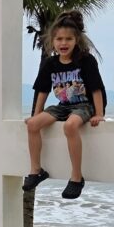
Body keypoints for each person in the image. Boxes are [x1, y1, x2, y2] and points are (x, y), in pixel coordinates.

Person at [23, 12, 106, 200]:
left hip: (84, 105)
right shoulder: (50, 63)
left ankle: (76, 177)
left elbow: (96, 89)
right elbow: (42, 91)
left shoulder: (86, 60)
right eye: (59, 39)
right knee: (32, 125)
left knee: (70, 126)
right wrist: (36, 115)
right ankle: (36, 171)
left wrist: (99, 113)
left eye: (68, 39)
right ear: (53, 41)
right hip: (63, 105)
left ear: (76, 40)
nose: (63, 43)